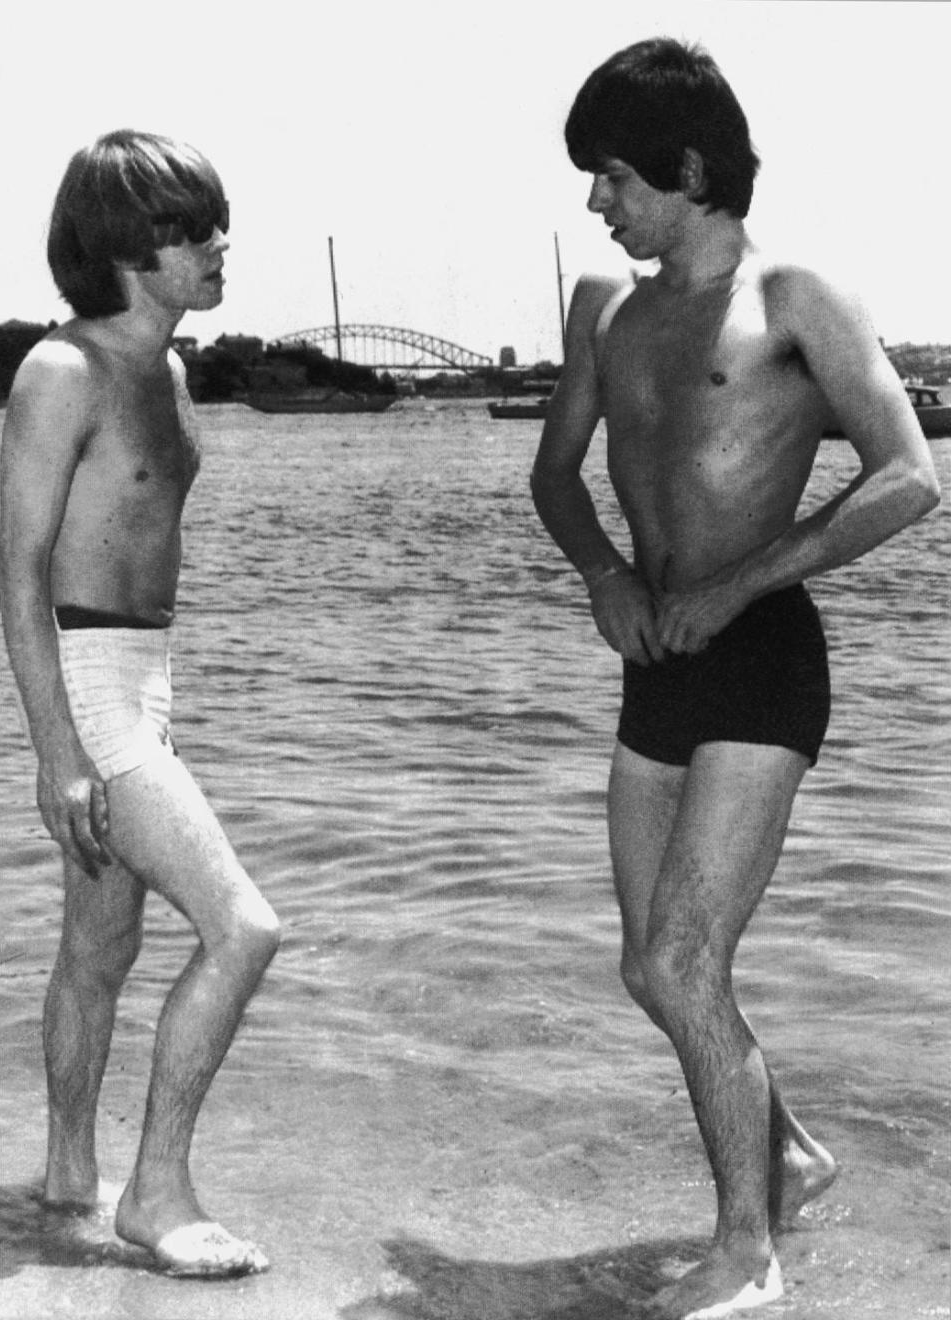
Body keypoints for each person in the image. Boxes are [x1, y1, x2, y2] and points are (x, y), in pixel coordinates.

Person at [531, 38, 940, 1320]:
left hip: (762, 661)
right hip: (655, 661)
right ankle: (794, 1157)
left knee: (691, 959)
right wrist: (607, 579)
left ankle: (747, 1254)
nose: (599, 204)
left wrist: (742, 580)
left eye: (613, 177)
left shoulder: (799, 298)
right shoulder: (605, 307)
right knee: (650, 971)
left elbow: (911, 477)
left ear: (688, 168)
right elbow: (554, 475)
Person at [0, 130, 280, 1279]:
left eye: (215, 223)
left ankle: (70, 1176)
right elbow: (15, 569)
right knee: (244, 929)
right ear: (126, 247)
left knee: (98, 948)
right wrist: (58, 749)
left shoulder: (161, 369)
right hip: (93, 695)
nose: (218, 246)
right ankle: (155, 1195)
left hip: (143, 682)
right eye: (191, 229)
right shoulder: (60, 372)